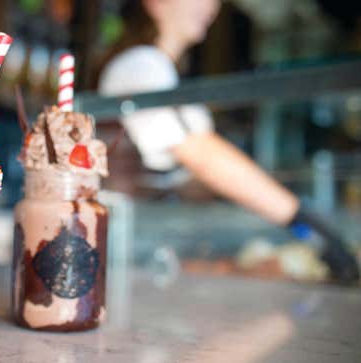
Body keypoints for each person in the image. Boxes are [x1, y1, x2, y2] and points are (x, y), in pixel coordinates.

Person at [98, 0, 359, 282]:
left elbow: (195, 176)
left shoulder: (161, 71)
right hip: (127, 257)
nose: (211, 7)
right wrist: (302, 219)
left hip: (147, 252)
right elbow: (201, 156)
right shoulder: (140, 65)